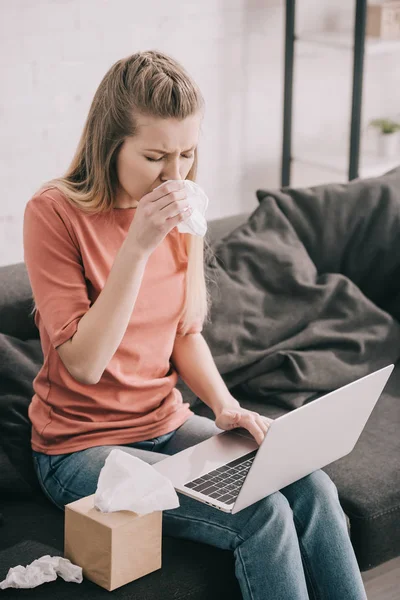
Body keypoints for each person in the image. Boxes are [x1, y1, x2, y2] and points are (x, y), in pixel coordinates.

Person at [23, 50, 367, 600]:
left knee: (311, 486)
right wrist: (138, 244)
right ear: (110, 144)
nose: (175, 175)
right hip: (79, 449)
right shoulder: (54, 213)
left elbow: (184, 332)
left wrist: (225, 405)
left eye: (186, 154)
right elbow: (84, 365)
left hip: (165, 424)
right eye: (155, 156)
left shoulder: (186, 212)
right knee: (260, 514)